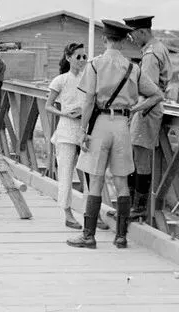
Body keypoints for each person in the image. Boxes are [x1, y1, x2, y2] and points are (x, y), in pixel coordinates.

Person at [67, 20, 163, 249]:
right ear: (123, 41)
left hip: (100, 124)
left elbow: (89, 100)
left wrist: (82, 130)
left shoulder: (95, 64)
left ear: (104, 39)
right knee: (121, 181)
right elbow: (156, 95)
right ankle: (121, 237)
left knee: (96, 180)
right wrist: (134, 110)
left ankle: (89, 236)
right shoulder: (133, 68)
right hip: (122, 125)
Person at [125, 15, 172, 220]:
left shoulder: (151, 55)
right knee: (137, 156)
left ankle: (138, 207)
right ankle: (132, 205)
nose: (132, 40)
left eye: (133, 35)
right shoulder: (158, 47)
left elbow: (150, 90)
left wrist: (134, 110)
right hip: (148, 108)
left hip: (147, 109)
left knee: (140, 158)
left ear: (142, 32)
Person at [45, 43, 89, 230]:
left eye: (84, 57)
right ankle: (67, 213)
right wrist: (65, 113)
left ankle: (91, 213)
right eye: (78, 57)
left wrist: (84, 111)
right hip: (66, 131)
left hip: (85, 131)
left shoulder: (89, 79)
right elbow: (48, 105)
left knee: (90, 175)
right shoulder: (60, 80)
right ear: (69, 58)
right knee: (65, 174)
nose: (82, 60)